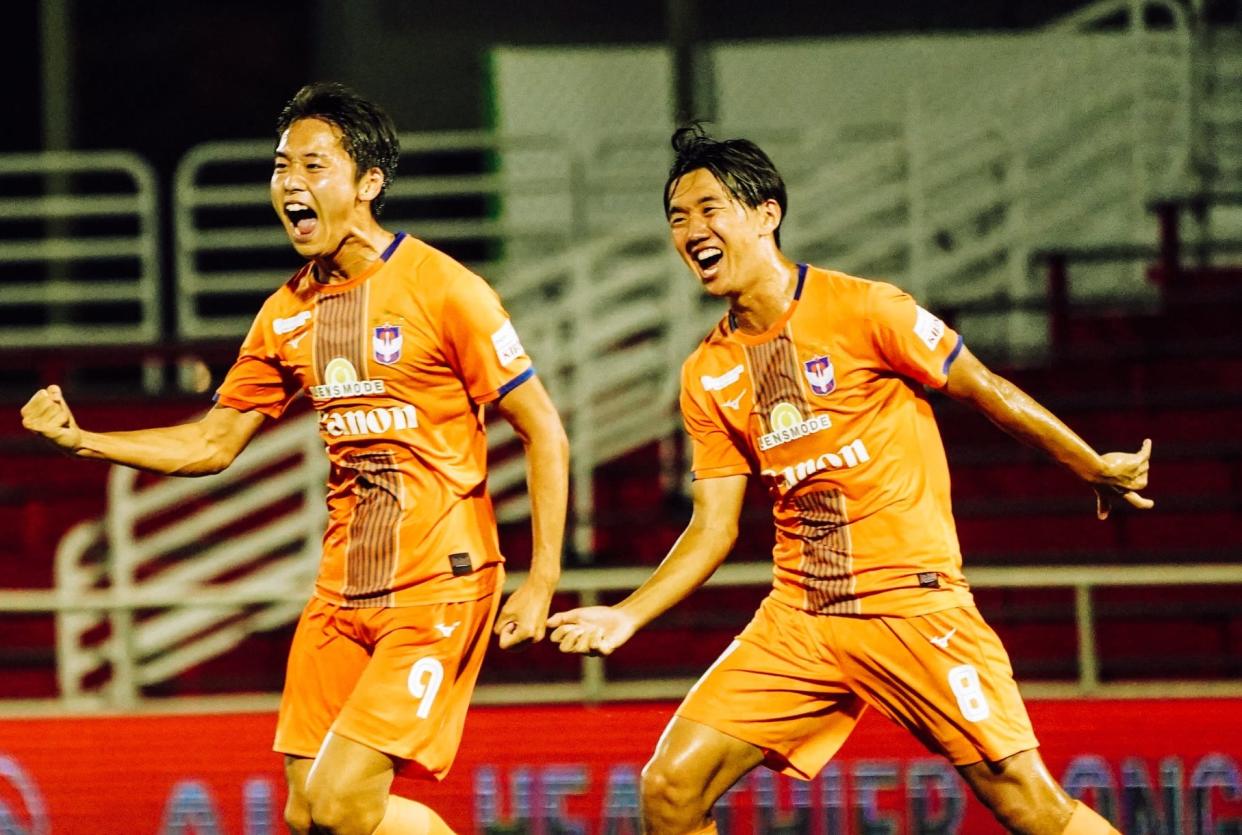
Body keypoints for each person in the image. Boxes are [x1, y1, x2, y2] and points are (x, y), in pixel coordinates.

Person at [548, 125, 1151, 835]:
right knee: (671, 786)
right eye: (677, 218)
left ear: (766, 213)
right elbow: (712, 528)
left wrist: (1091, 464)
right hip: (801, 617)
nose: (691, 230)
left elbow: (984, 387)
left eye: (709, 208)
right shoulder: (706, 373)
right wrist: (628, 613)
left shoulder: (866, 309)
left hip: (912, 604)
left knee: (1027, 799)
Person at [21, 82, 569, 835]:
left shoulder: (445, 290)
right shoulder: (286, 314)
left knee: (345, 803)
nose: (290, 185)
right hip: (340, 589)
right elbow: (212, 443)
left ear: (368, 183)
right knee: (309, 812)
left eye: (314, 166)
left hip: (439, 584)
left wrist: (541, 580)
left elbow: (543, 429)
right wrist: (84, 439)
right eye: (282, 167)